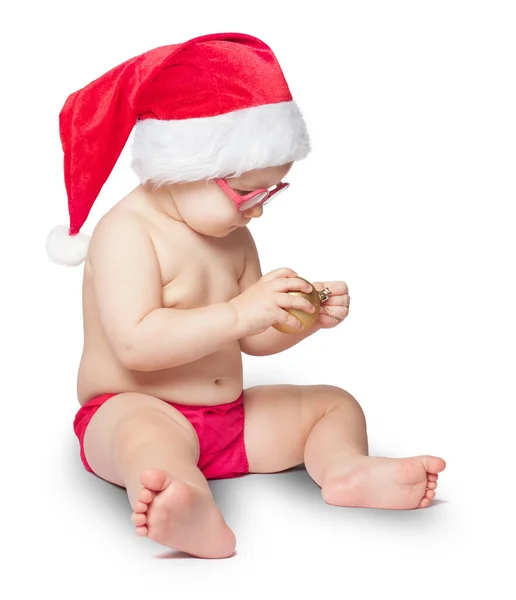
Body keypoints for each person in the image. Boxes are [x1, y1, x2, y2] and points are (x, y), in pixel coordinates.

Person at [46, 32, 446, 559]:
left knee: (333, 405)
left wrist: (298, 318)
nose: (258, 208)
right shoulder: (128, 233)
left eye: (271, 192)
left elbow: (252, 341)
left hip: (230, 423)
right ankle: (185, 503)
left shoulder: (233, 235)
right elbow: (136, 346)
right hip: (135, 407)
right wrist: (240, 311)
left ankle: (345, 470)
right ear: (186, 166)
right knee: (145, 441)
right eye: (248, 193)